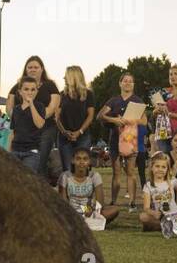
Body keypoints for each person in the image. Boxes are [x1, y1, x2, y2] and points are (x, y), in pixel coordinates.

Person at [6, 56, 61, 181]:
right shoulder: (18, 86)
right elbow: (10, 107)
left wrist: (34, 114)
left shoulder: (50, 85)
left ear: (42, 69)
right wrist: (18, 115)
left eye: (36, 67)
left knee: (39, 161)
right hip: (22, 130)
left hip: (45, 127)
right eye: (30, 67)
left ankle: (42, 181)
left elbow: (52, 106)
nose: (33, 69)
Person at [98, 72, 147, 210]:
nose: (127, 83)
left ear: (133, 84)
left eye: (130, 81)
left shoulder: (137, 101)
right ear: (120, 83)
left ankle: (132, 203)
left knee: (131, 172)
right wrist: (114, 120)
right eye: (125, 81)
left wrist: (130, 120)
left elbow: (144, 120)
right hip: (115, 140)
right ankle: (113, 201)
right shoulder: (113, 101)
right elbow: (100, 116)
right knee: (116, 172)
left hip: (131, 140)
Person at [59, 147, 116, 225]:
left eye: (85, 159)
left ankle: (83, 222)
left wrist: (90, 209)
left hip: (87, 209)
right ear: (73, 161)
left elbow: (100, 202)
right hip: (71, 209)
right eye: (78, 159)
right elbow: (63, 202)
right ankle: (85, 222)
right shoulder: (65, 176)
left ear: (89, 161)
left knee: (114, 210)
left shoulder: (94, 176)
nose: (81, 162)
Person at [55, 66, 95, 173]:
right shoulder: (61, 95)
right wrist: (64, 132)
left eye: (66, 75)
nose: (64, 78)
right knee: (68, 170)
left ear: (73, 77)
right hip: (64, 138)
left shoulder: (88, 94)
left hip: (83, 137)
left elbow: (90, 116)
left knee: (82, 170)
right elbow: (56, 117)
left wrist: (79, 131)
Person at [7, 75, 46, 174]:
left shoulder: (39, 107)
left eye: (33, 90)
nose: (29, 92)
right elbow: (12, 132)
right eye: (26, 89)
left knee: (27, 178)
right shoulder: (16, 109)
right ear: (20, 92)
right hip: (15, 150)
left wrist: (31, 104)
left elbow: (40, 124)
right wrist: (8, 152)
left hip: (31, 152)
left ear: (36, 92)